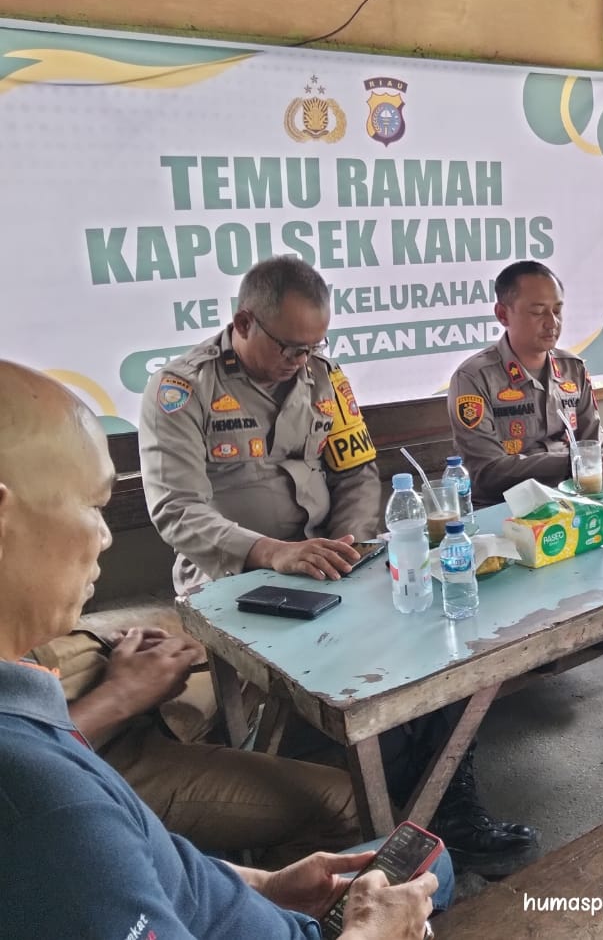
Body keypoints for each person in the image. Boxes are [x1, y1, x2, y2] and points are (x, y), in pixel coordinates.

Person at [0, 359, 443, 937]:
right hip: (232, 583)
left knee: (425, 863)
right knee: (408, 864)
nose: (105, 535)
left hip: (220, 891)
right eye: (95, 506)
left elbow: (152, 857)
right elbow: (179, 510)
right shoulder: (48, 810)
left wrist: (262, 886)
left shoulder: (42, 748)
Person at [138, 255, 539, 876]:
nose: (303, 361)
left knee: (445, 628)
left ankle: (447, 803)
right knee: (358, 682)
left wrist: (350, 538)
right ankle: (398, 810)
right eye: (291, 347)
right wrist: (274, 552)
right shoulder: (181, 388)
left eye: (314, 346)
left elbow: (355, 469)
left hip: (331, 562)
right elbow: (177, 512)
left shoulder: (324, 378)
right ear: (244, 322)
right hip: (237, 584)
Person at [26, 620, 363, 868]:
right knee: (343, 804)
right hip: (86, 760)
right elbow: (17, 756)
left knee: (262, 675)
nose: (105, 539)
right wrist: (121, 695)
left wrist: (102, 642)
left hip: (108, 704)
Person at [448, 260, 603, 507]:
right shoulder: (474, 378)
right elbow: (487, 472)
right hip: (503, 509)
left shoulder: (572, 369)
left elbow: (593, 444)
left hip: (574, 499)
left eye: (557, 310)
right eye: (537, 311)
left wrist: (585, 462)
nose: (552, 322)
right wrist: (571, 462)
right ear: (503, 314)